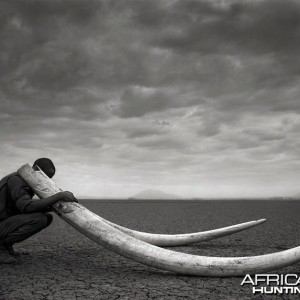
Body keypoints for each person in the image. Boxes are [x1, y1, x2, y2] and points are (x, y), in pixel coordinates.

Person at [0, 158, 78, 264]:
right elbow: (27, 207)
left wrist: (53, 207)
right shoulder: (17, 180)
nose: (45, 181)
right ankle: (1, 247)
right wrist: (60, 195)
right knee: (39, 219)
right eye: (44, 176)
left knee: (45, 217)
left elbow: (21, 208)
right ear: (36, 169)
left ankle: (6, 246)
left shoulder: (24, 180)